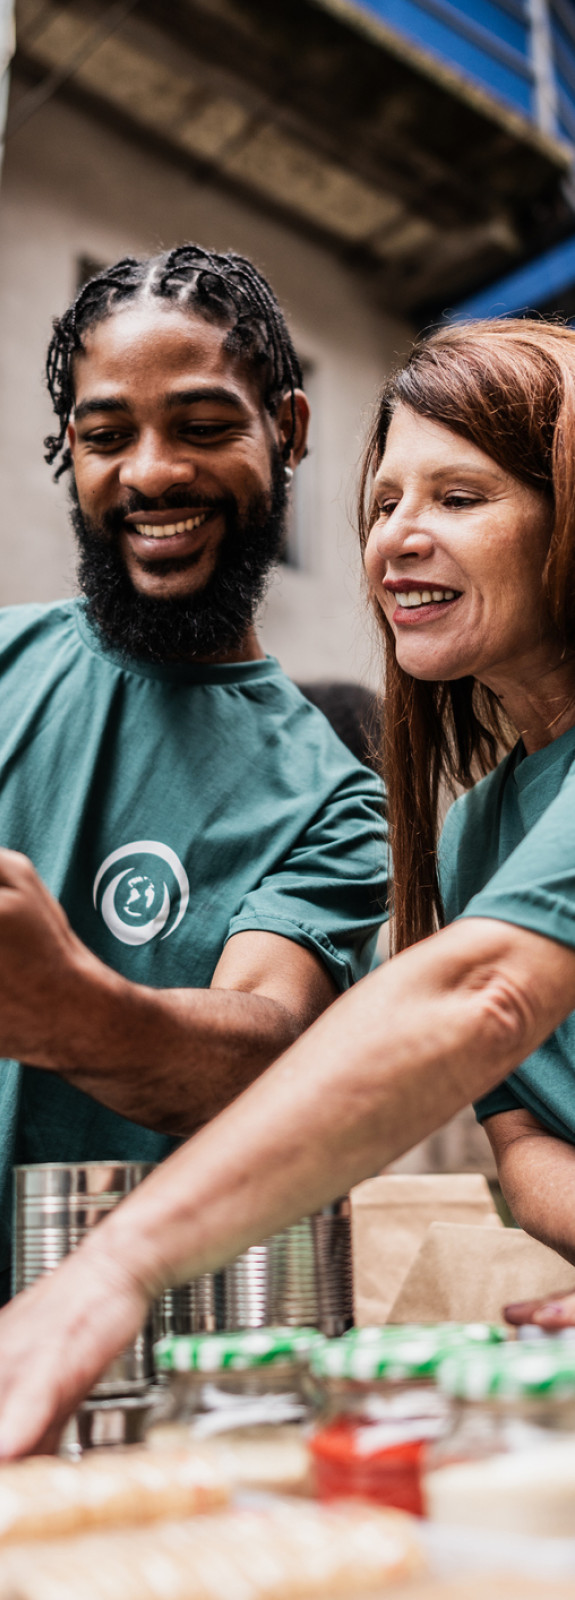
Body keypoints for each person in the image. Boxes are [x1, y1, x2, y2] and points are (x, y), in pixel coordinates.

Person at [3, 315, 575, 1455]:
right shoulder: (469, 840)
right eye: (381, 504)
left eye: (457, 498)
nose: (396, 540)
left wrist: (114, 1259)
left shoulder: (324, 798)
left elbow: (480, 998)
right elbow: (524, 1145)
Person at [0, 244, 387, 1307]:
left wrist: (64, 1008)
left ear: (288, 432)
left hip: (124, 1383)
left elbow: (265, 1051)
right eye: (105, 435)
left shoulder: (332, 798)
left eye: (205, 427)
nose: (153, 473)